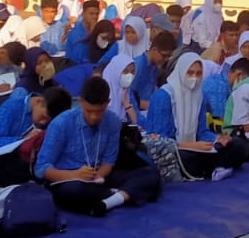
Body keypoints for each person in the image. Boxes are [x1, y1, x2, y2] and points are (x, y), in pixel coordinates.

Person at [34, 75, 161, 215]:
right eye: (89, 111)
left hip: (98, 178)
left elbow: (109, 161)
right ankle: (119, 195)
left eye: (99, 112)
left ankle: (108, 201)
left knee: (151, 173)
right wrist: (75, 175)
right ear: (81, 102)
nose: (93, 117)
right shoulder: (61, 124)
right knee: (73, 191)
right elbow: (42, 168)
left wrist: (99, 175)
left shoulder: (113, 121)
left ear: (107, 103)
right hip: (68, 179)